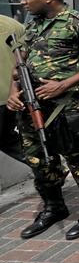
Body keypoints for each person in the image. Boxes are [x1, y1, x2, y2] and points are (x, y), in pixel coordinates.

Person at [6, 0, 79, 240]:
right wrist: (12, 92)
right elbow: (19, 66)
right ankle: (54, 207)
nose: (22, 2)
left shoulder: (78, 22)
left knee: (78, 156)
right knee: (39, 158)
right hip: (31, 107)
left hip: (66, 106)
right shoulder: (32, 24)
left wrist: (63, 85)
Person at [0, 14, 26, 164]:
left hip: (9, 94)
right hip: (13, 93)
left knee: (7, 139)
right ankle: (49, 167)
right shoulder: (13, 24)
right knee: (7, 139)